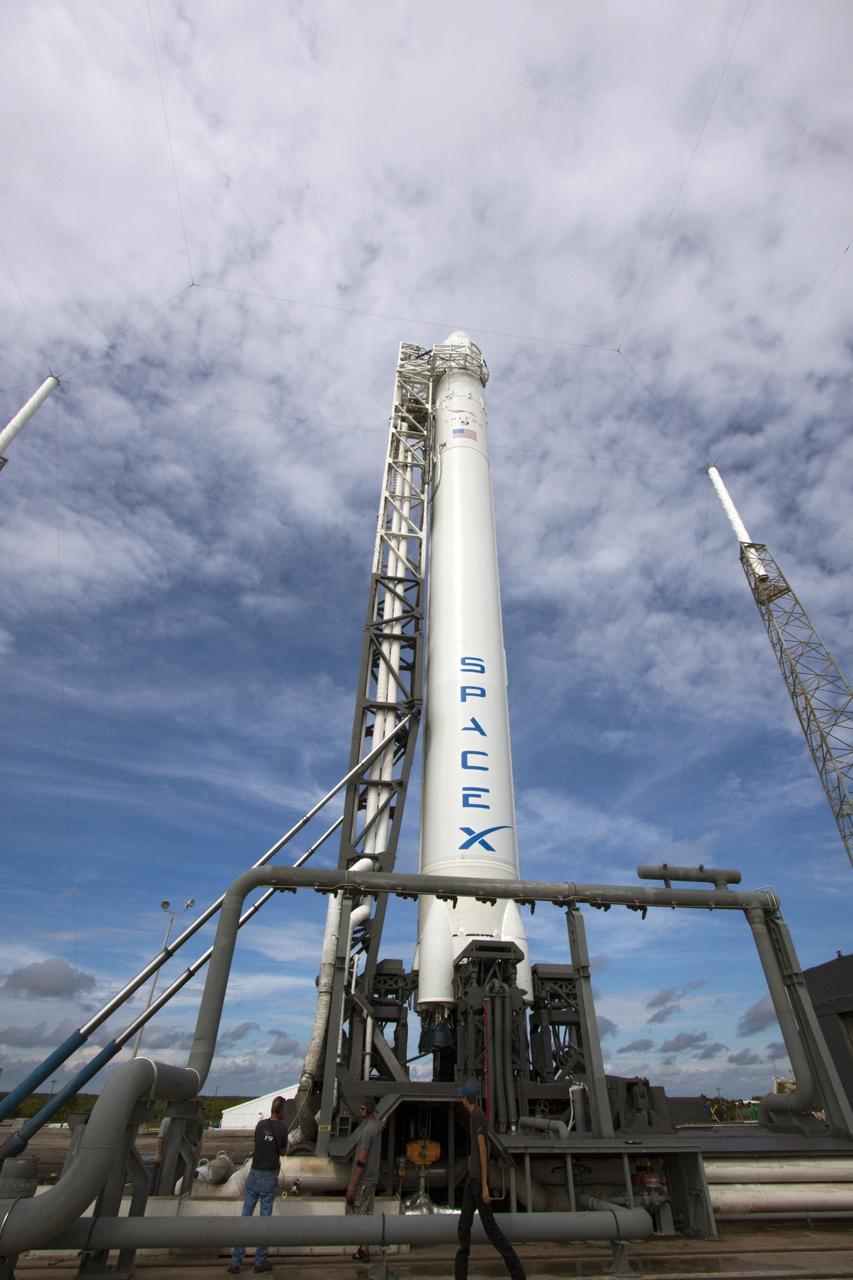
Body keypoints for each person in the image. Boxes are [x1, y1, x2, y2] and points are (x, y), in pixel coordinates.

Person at [455, 1083, 525, 1280]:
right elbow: (481, 1147)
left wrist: (485, 1184)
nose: (460, 1099)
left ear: (465, 1099)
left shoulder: (477, 1116)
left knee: (492, 1231)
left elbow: (484, 1149)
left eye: (461, 1097)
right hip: (472, 1180)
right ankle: (460, 1276)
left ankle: (517, 1273)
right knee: (463, 1227)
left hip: (478, 1182)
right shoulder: (475, 1116)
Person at [228, 1096, 288, 1275]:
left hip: (253, 1174)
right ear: (281, 1110)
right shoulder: (282, 1129)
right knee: (264, 1221)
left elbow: (258, 1144)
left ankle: (236, 1262)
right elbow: (283, 1151)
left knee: (245, 1217)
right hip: (268, 1176)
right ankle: (260, 1261)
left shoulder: (260, 1125)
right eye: (285, 1109)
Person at [345, 1099, 382, 1264]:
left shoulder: (367, 1132)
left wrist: (353, 1184)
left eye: (362, 1108)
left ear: (367, 1110)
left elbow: (362, 1159)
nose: (359, 1110)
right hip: (371, 1179)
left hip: (363, 1181)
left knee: (360, 1215)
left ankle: (363, 1249)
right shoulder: (377, 1126)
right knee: (367, 1214)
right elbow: (383, 1123)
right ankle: (364, 1249)